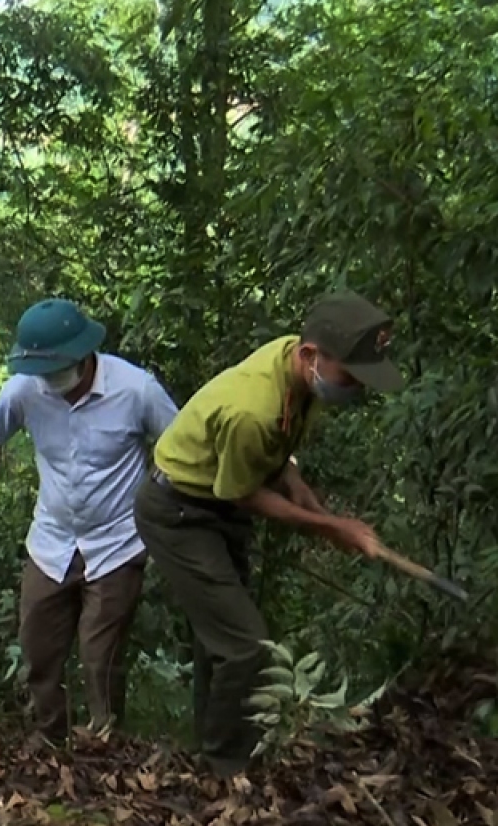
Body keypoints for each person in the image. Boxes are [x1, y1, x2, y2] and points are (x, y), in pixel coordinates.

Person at [133, 291, 402, 777]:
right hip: (179, 512)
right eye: (351, 375)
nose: (356, 388)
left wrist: (304, 493)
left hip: (215, 504)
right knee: (247, 644)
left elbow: (277, 453)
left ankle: (211, 752)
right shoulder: (250, 410)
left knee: (221, 639)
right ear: (310, 356)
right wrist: (331, 526)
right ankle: (223, 769)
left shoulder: (293, 366)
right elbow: (243, 493)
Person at [0, 298, 179, 740]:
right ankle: (50, 740)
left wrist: (162, 505)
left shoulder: (136, 390)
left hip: (117, 542)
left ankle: (105, 745)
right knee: (38, 647)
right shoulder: (23, 390)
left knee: (100, 657)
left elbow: (181, 449)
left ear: (83, 354)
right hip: (52, 540)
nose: (49, 380)